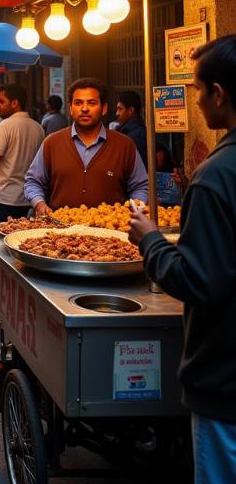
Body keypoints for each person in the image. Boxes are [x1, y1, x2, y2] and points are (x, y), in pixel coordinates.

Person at [128, 35, 236, 484]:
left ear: (218, 94)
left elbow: (199, 280)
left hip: (225, 383)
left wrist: (151, 240)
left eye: (196, 87)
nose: (194, 97)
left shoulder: (216, 177)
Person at [24, 77, 148, 215]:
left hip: (110, 233)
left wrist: (135, 208)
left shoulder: (125, 145)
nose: (84, 109)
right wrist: (39, 204)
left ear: (104, 108)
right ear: (70, 108)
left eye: (92, 103)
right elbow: (33, 182)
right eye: (78, 103)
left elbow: (141, 186)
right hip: (58, 231)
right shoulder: (51, 143)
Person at [0, 84, 45, 223]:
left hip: (5, 197)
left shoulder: (5, 125)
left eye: (1, 101)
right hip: (29, 198)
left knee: (1, 240)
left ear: (15, 103)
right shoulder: (38, 127)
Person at [115, 90, 148, 166]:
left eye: (120, 109)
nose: (117, 113)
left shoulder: (136, 137)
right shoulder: (126, 132)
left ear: (131, 110)